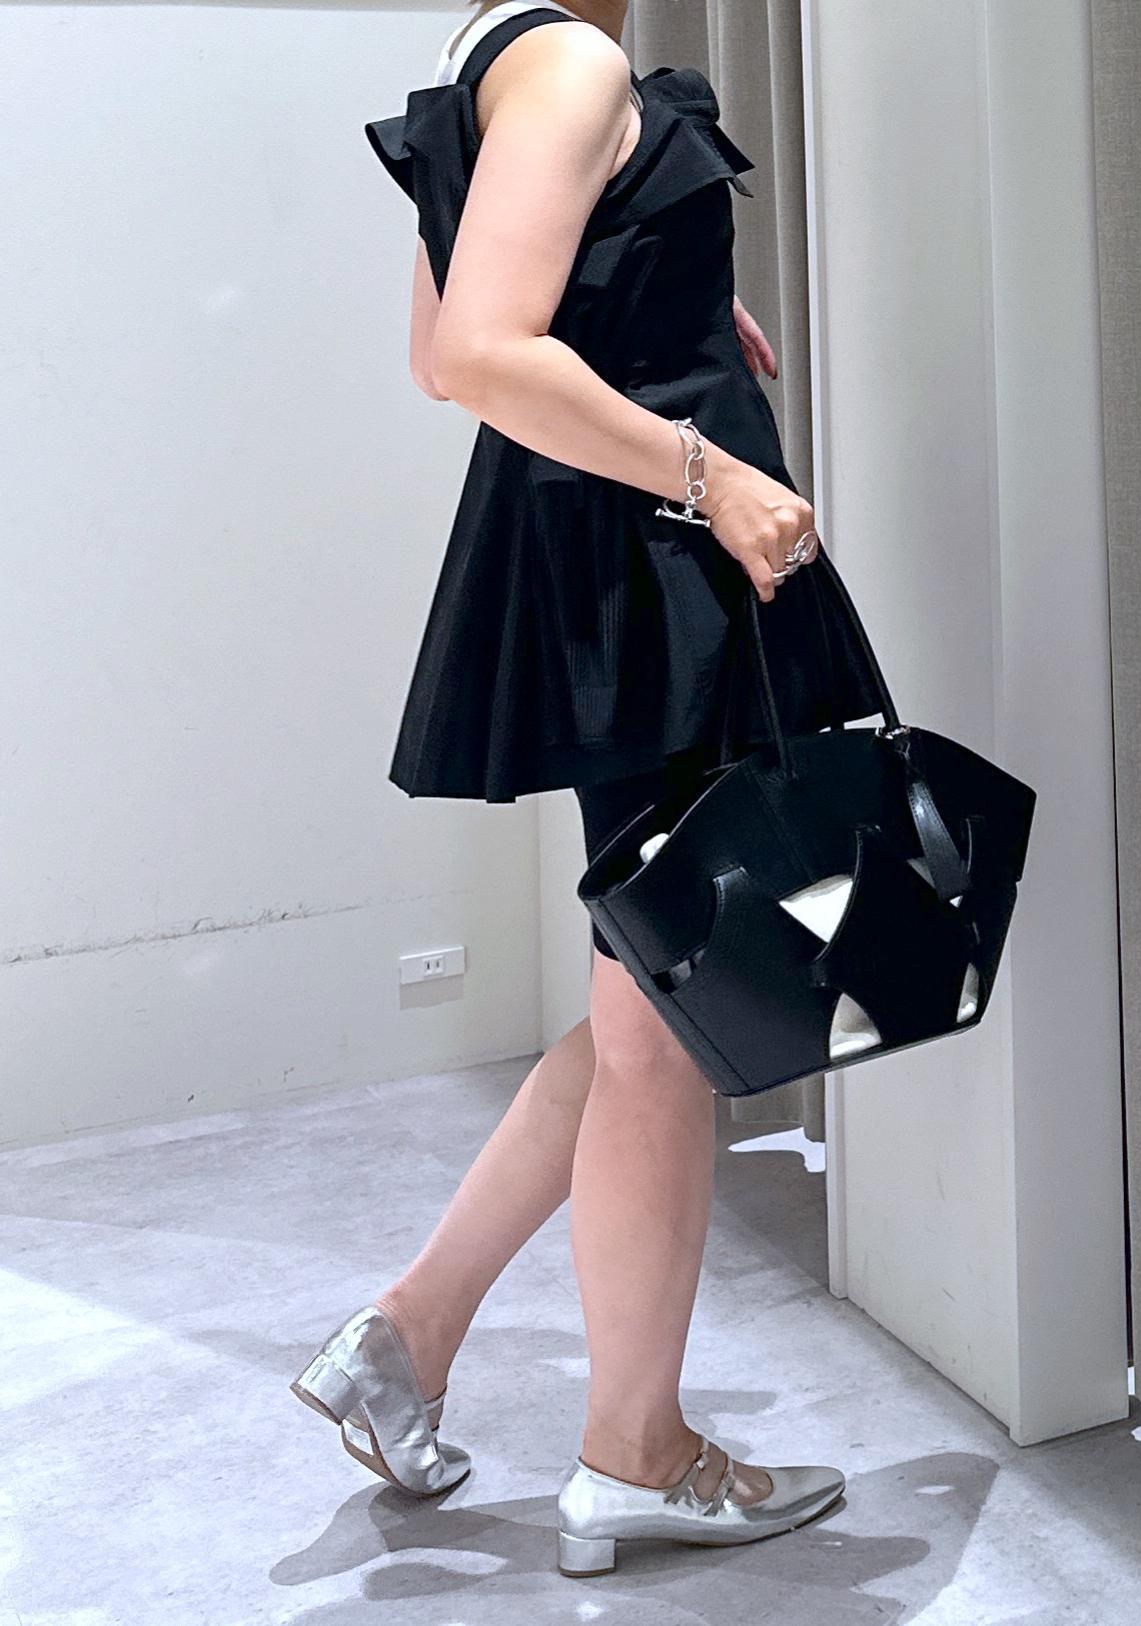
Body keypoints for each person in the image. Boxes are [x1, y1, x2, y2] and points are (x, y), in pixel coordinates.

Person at [293, 0, 873, 1578]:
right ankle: (635, 1449)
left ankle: (408, 1334)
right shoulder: (572, 60)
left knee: (647, 998)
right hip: (656, 580)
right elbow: (476, 357)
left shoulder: (495, 46)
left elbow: (453, 344)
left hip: (611, 576)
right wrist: (713, 470)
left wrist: (664, 300)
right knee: (666, 1020)